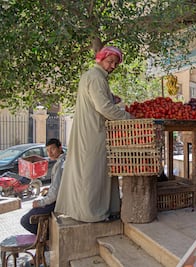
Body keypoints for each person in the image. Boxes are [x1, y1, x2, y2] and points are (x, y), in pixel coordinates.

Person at [55, 46, 133, 223]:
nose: (113, 66)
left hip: (87, 128)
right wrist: (128, 117)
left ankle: (91, 209)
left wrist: (112, 98)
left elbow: (97, 100)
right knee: (92, 172)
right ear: (100, 59)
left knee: (88, 170)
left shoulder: (90, 76)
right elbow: (103, 107)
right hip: (93, 131)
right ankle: (92, 213)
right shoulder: (97, 78)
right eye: (110, 61)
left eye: (115, 63)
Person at [20, 138, 65, 234]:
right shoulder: (61, 161)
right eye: (47, 150)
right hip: (57, 198)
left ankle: (48, 237)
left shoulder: (62, 163)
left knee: (25, 221)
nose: (50, 153)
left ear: (60, 148)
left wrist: (40, 203)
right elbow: (59, 185)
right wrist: (49, 189)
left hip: (58, 202)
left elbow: (54, 195)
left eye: (52, 149)